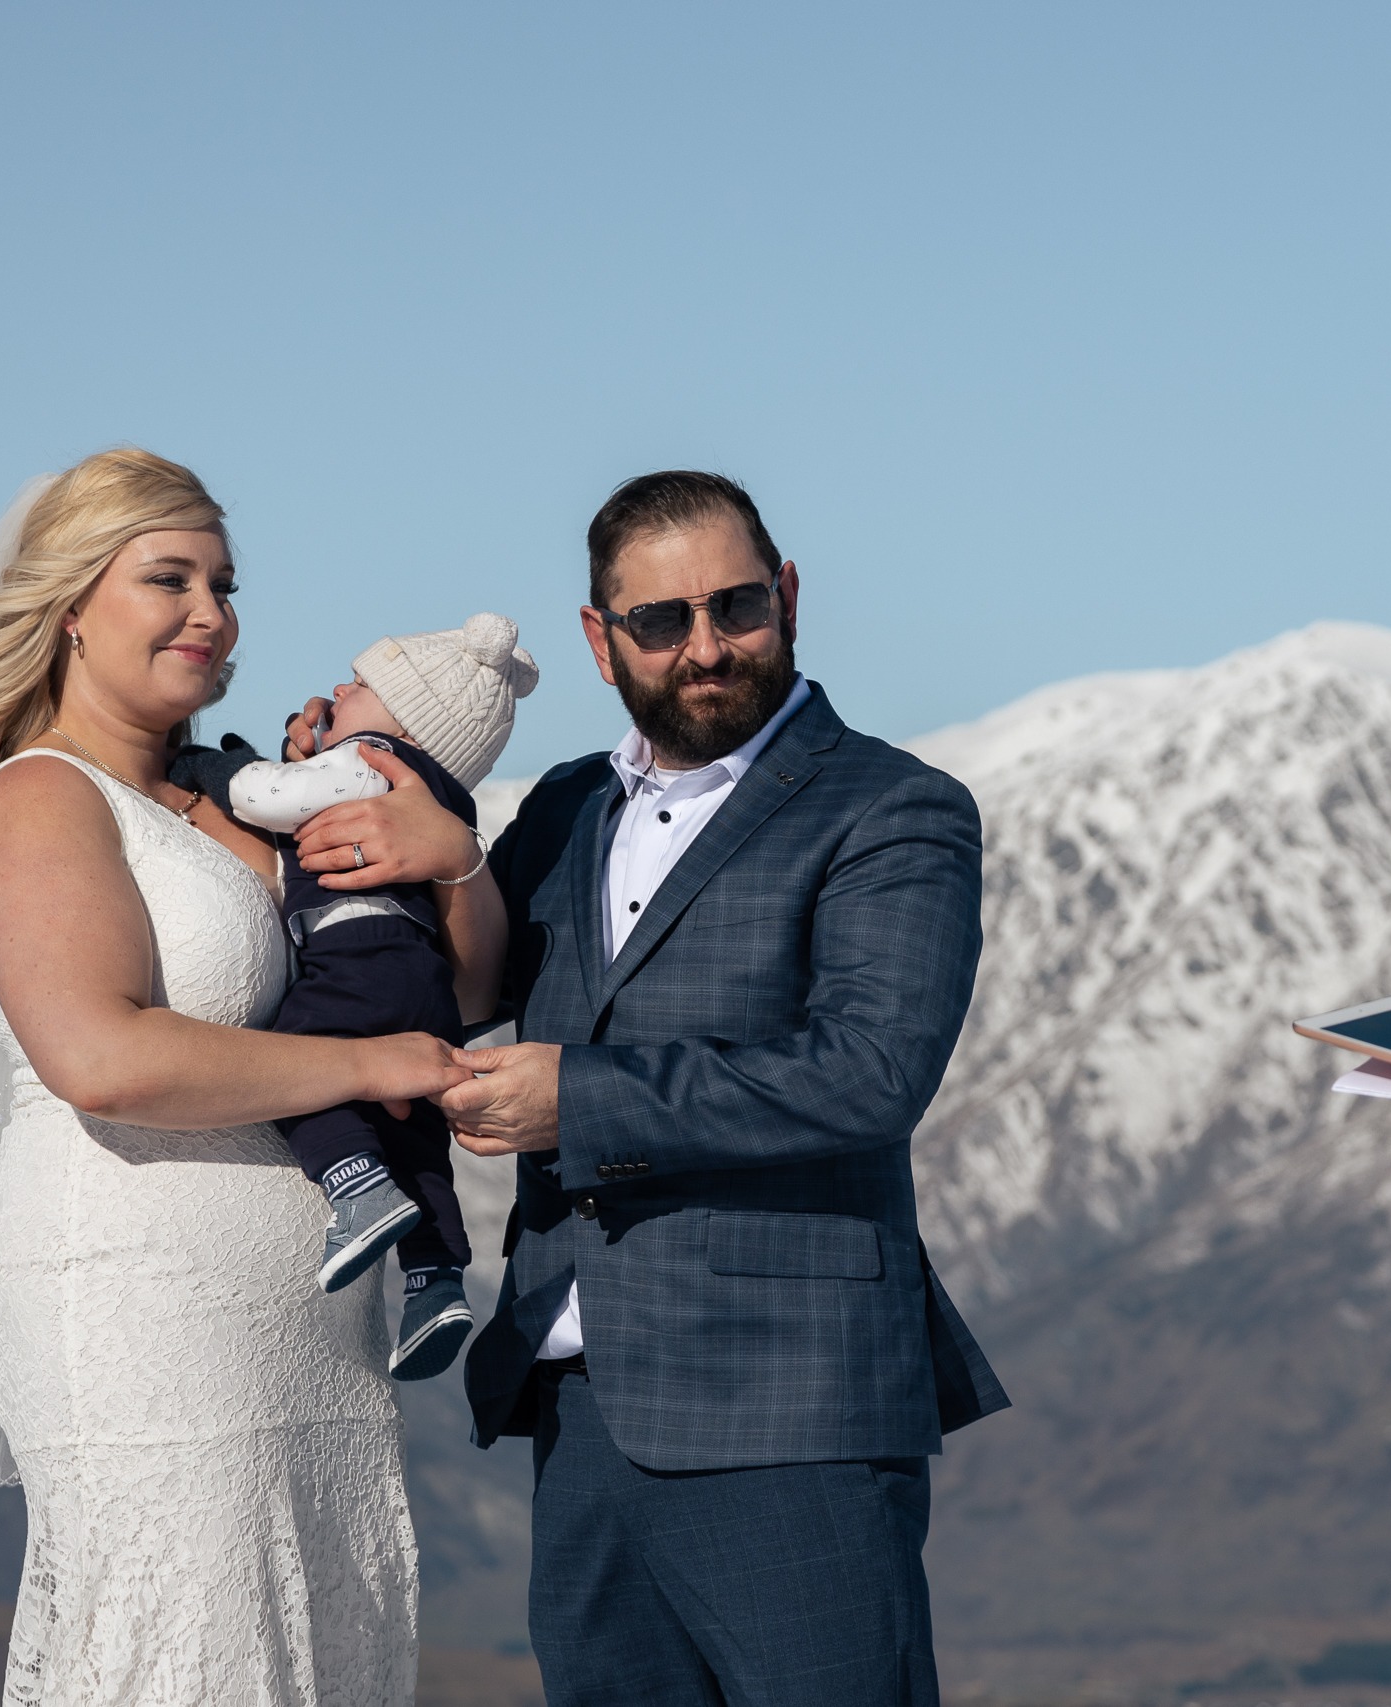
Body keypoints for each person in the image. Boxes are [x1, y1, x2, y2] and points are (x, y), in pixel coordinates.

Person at [299, 470, 1009, 1706]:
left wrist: (581, 1099)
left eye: (736, 607)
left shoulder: (892, 807)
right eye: (661, 621)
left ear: (786, 596)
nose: (706, 646)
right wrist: (440, 854)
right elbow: (464, 991)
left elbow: (869, 1073)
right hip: (574, 1409)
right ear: (598, 639)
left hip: (795, 1412)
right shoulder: (567, 806)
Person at [0, 447, 494, 1706]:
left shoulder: (238, 797)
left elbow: (458, 999)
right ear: (68, 606)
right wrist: (368, 1061)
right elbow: (99, 1057)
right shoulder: (41, 800)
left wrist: (455, 862)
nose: (213, 613)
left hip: (306, 1322)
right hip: (137, 1303)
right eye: (170, 579)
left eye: (225, 582)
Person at [175, 613, 540, 1380]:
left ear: (407, 721)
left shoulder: (371, 760)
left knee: (295, 1067)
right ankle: (436, 1278)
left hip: (357, 955)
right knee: (415, 1139)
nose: (338, 688)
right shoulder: (437, 796)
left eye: (363, 684)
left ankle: (357, 1189)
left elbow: (268, 796)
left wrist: (213, 763)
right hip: (421, 985)